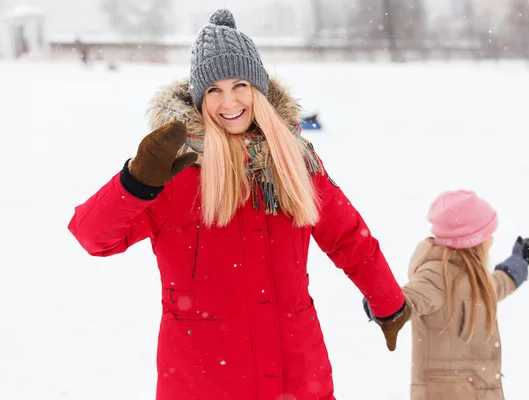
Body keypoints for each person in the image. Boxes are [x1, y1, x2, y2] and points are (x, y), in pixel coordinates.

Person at [68, 8, 409, 400]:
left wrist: (389, 303)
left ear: (258, 89)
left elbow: (349, 237)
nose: (228, 101)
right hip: (203, 380)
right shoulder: (173, 168)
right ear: (199, 99)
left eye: (240, 84)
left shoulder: (295, 161)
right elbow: (94, 238)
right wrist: (135, 181)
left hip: (295, 374)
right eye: (213, 90)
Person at [364, 190, 529, 399]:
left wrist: (518, 263)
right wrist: (382, 302)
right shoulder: (438, 274)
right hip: (448, 392)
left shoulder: (474, 276)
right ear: (473, 241)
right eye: (488, 235)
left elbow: (497, 285)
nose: (492, 241)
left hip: (475, 390)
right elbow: (413, 297)